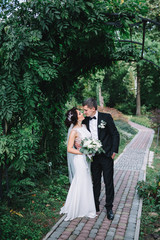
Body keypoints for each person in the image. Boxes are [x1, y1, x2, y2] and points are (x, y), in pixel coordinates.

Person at [82, 98, 120, 220]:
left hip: (107, 155)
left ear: (93, 108)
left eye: (86, 110)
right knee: (96, 182)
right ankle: (95, 205)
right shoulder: (85, 120)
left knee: (108, 182)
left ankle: (109, 207)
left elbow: (115, 134)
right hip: (93, 156)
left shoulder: (106, 117)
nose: (84, 112)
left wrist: (114, 151)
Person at [60, 107, 96, 221]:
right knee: (80, 180)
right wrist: (82, 152)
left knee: (86, 180)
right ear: (77, 118)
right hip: (79, 159)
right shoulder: (74, 131)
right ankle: (78, 207)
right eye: (80, 113)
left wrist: (91, 148)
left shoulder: (84, 127)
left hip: (86, 158)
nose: (82, 114)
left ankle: (85, 206)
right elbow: (69, 149)